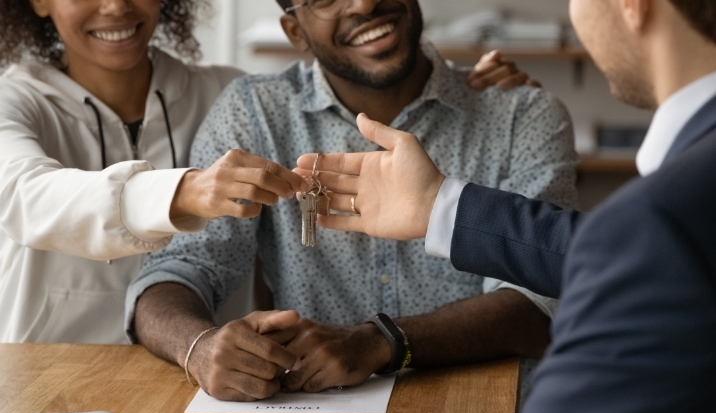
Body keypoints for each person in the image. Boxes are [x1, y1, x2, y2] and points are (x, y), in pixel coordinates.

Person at [298, 0, 716, 413]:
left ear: (632, 6)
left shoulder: (658, 218)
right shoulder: (666, 215)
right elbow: (634, 259)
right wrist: (437, 206)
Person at [126, 0, 578, 402]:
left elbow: (539, 301)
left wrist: (382, 341)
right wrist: (198, 347)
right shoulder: (253, 113)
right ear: (295, 32)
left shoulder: (523, 114)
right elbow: (181, 268)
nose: (363, 4)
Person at [0, 0, 527, 345]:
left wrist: (464, 90)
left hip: (189, 374)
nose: (115, 4)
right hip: (55, 358)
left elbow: (343, 76)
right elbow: (21, 196)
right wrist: (186, 189)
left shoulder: (230, 96)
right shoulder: (15, 100)